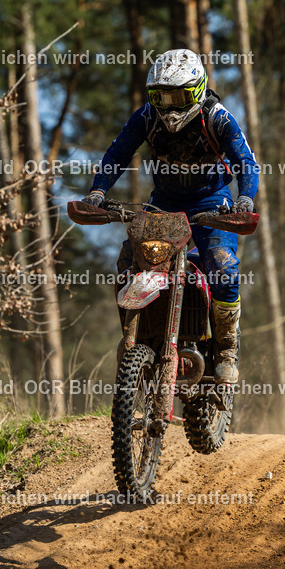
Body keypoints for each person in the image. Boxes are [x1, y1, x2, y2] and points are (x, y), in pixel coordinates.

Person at [82, 48, 259, 384]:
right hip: (164, 203)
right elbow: (117, 153)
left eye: (180, 95)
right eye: (162, 96)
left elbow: (246, 162)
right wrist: (98, 192)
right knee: (127, 259)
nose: (172, 105)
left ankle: (226, 347)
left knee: (222, 263)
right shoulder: (147, 117)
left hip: (213, 202)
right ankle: (139, 335)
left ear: (198, 89)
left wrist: (246, 198)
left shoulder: (217, 117)